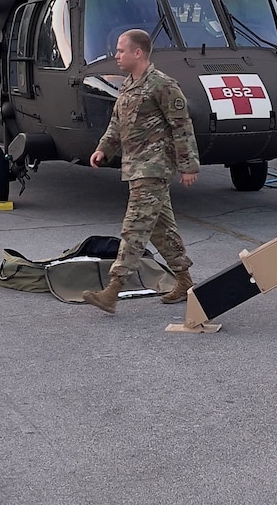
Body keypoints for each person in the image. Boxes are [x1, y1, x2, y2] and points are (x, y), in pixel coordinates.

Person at [83, 29, 197, 314]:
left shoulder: (162, 85)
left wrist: (187, 166)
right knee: (160, 228)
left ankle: (113, 290)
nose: (116, 56)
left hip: (154, 167)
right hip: (135, 167)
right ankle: (184, 280)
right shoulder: (128, 85)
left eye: (121, 51)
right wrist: (103, 149)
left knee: (134, 227)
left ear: (138, 53)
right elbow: (116, 123)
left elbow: (182, 126)